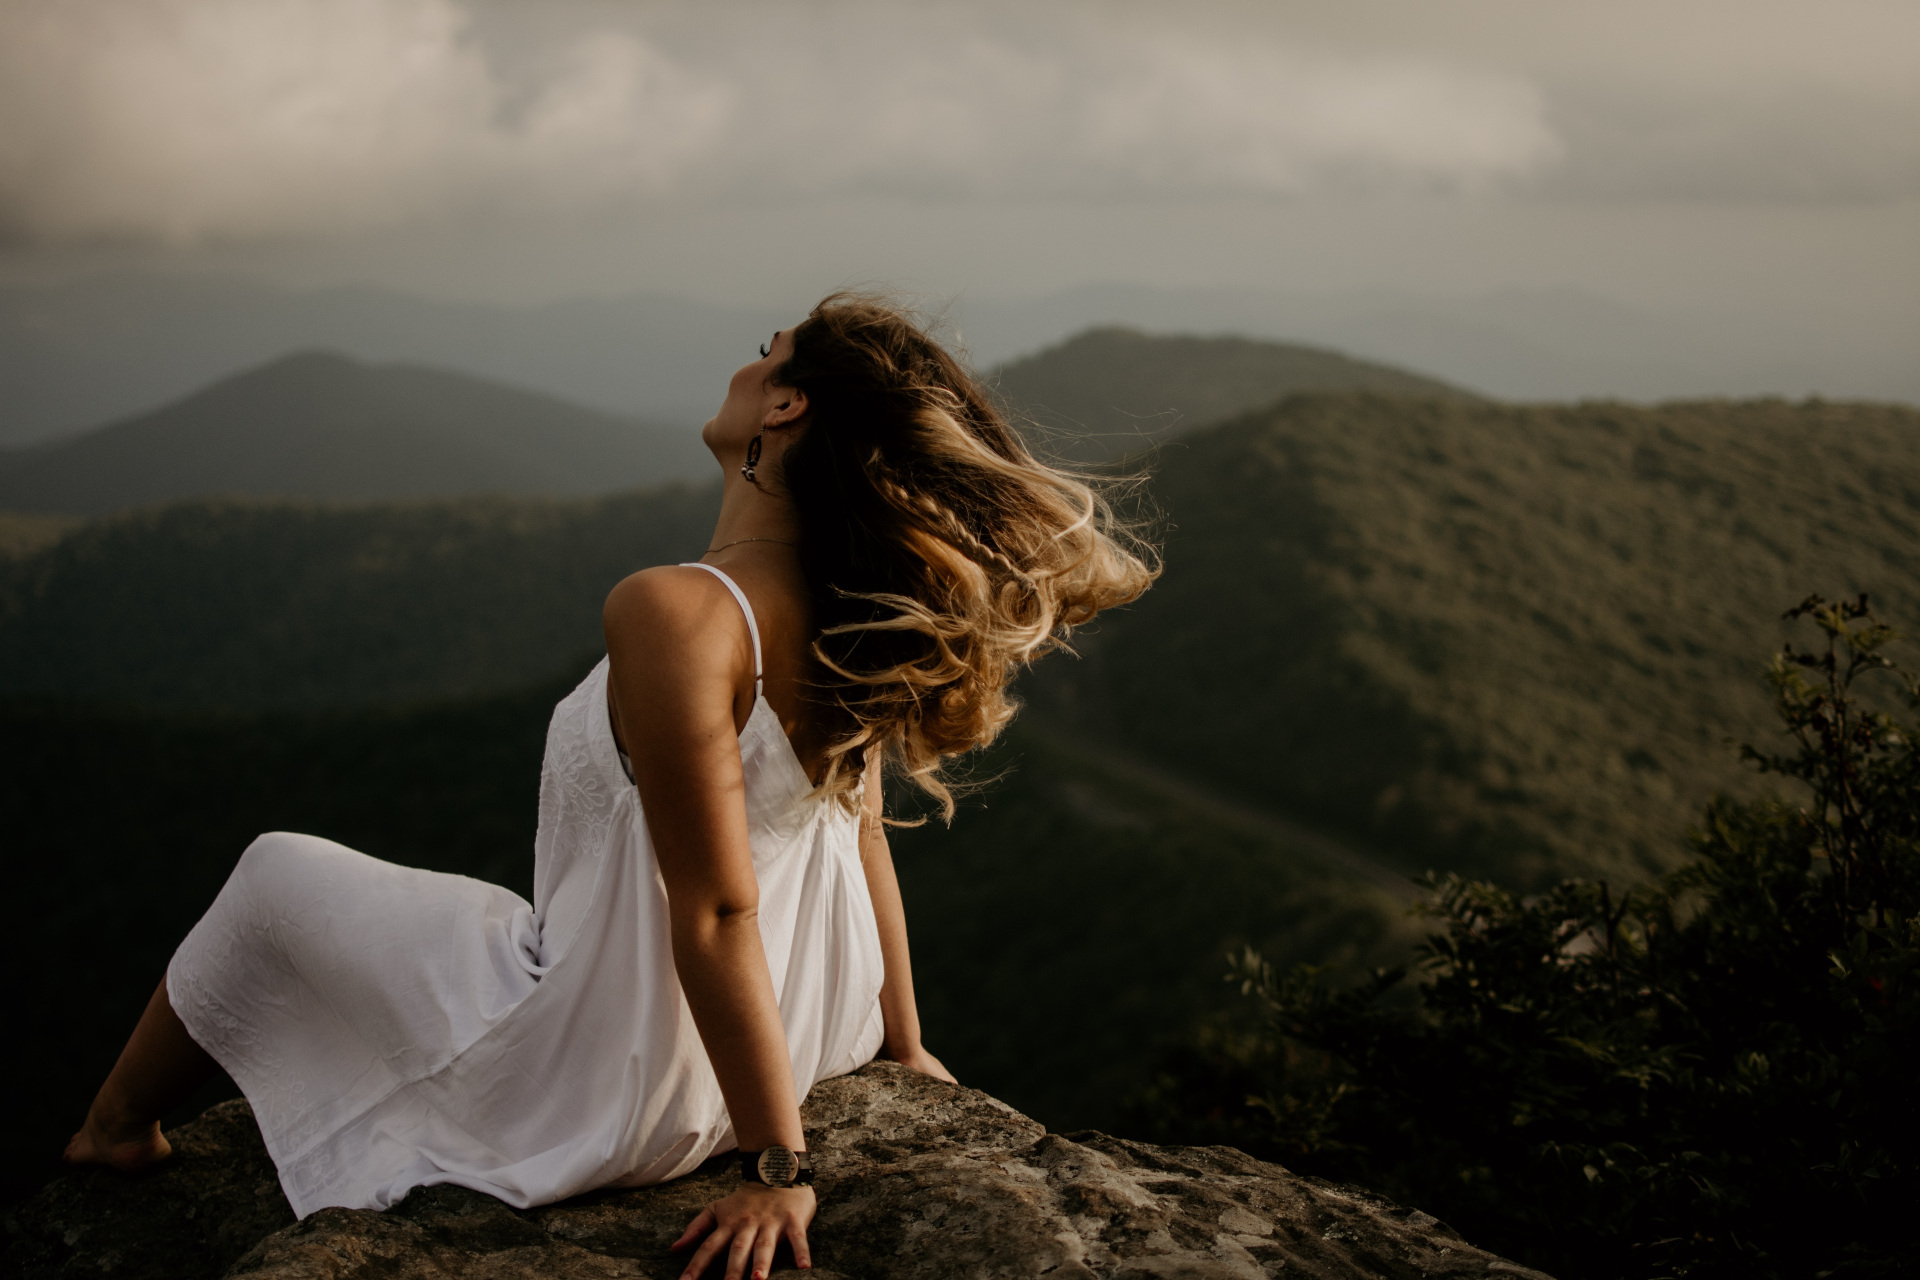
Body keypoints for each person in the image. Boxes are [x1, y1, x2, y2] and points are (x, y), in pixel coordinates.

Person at [63, 293, 1156, 1280]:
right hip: (815, 1019)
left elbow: (720, 905)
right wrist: (903, 1045)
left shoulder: (678, 610)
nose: (745, 364)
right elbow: (859, 838)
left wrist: (780, 1160)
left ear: (785, 404)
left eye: (763, 351)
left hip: (630, 1073)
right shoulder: (856, 606)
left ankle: (114, 1128)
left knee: (272, 871)